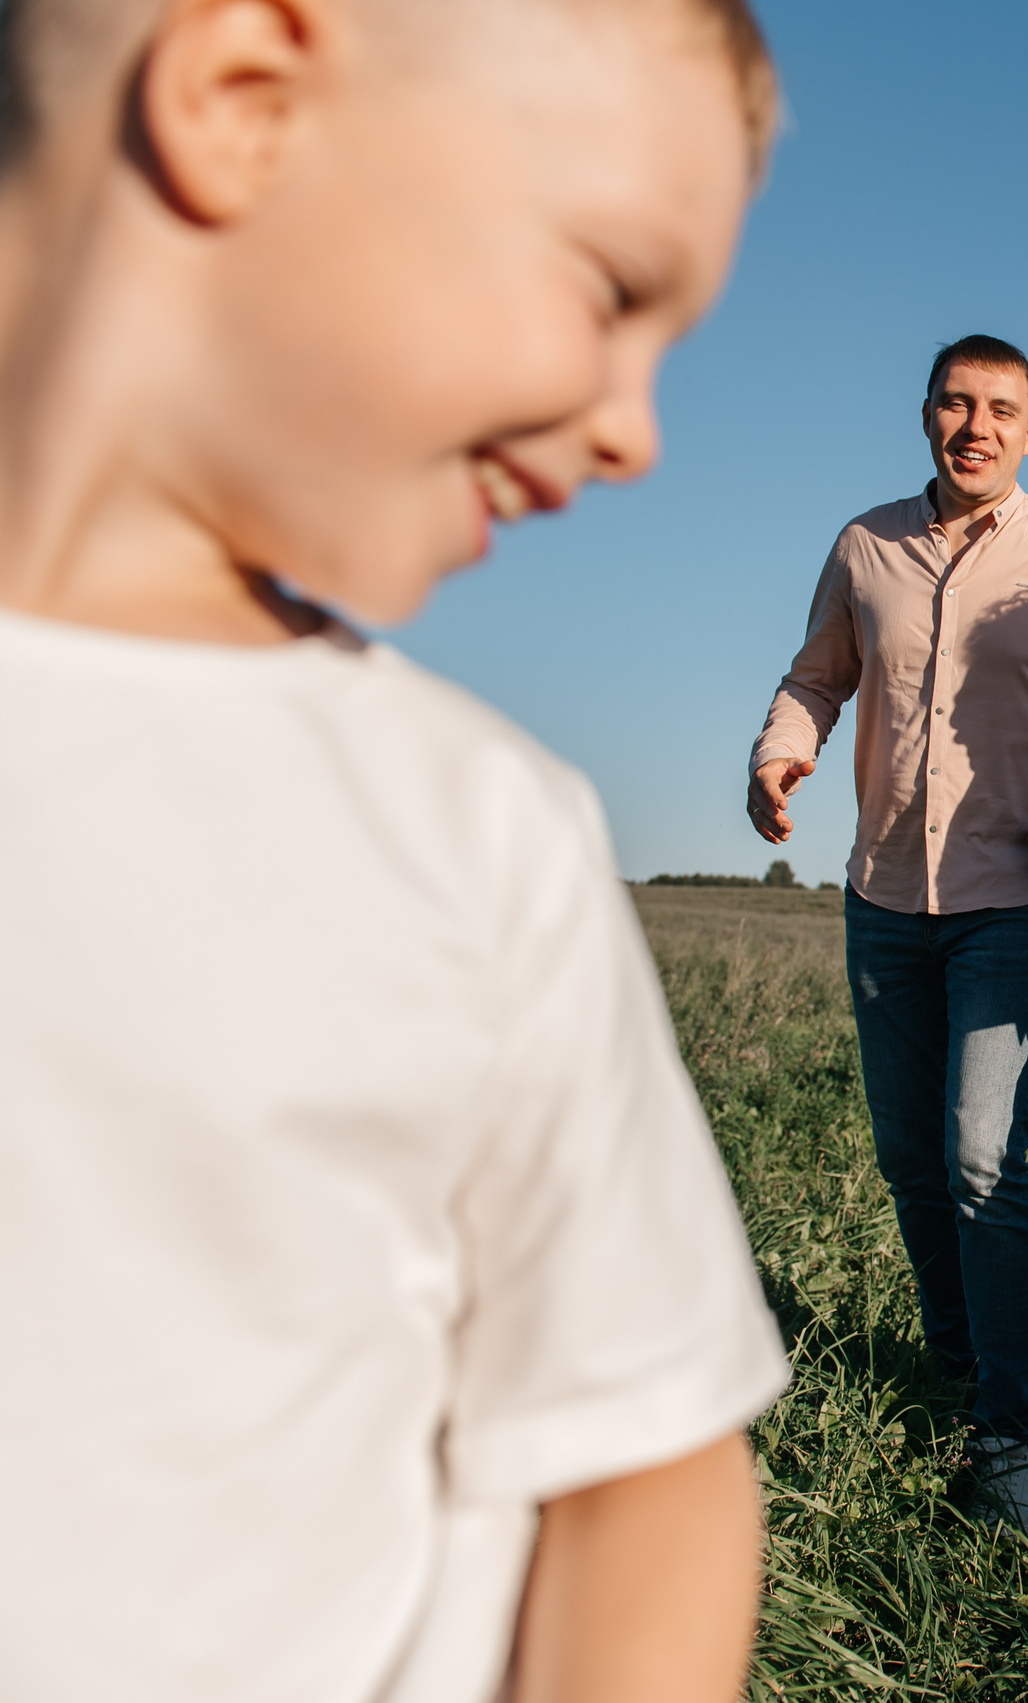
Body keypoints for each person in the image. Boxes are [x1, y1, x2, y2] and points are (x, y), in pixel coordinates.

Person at [0, 3, 792, 1700]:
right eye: (609, 287)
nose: (637, 429)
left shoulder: (472, 828)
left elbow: (644, 1459)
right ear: (242, 102)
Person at [748, 334, 1028, 1537]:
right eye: (954, 403)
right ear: (926, 414)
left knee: (983, 1158)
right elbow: (817, 675)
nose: (974, 425)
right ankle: (961, 1371)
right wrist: (782, 753)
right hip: (881, 892)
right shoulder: (864, 544)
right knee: (912, 1161)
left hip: (1011, 896)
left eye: (1001, 409)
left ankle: (1014, 1428)